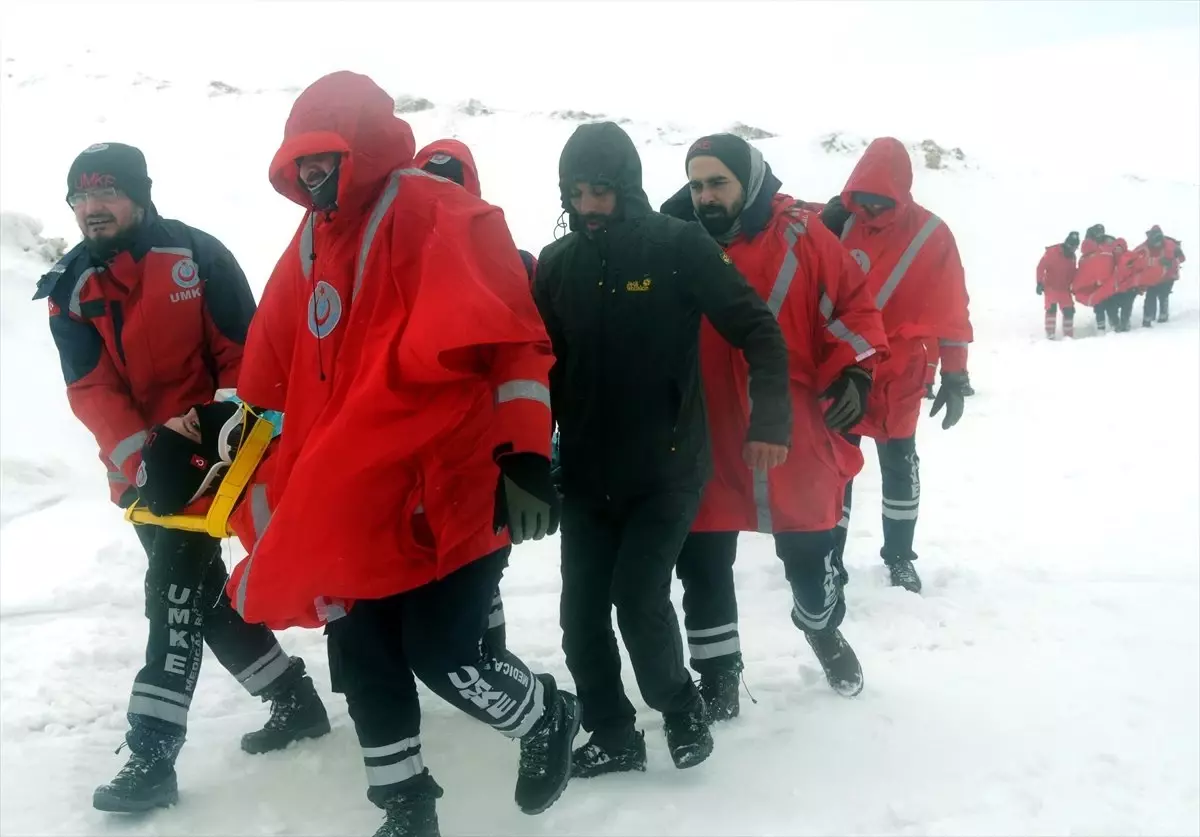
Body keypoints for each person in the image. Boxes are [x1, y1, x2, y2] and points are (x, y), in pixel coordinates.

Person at [223, 71, 579, 836]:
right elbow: (271, 363)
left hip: (446, 487)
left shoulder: (439, 213)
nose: (313, 176)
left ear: (365, 147)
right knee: (364, 652)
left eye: (327, 159)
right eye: (301, 164)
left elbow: (516, 344)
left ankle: (546, 715)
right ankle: (406, 805)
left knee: (446, 653)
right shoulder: (314, 236)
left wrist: (524, 457)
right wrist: (223, 429)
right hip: (354, 495)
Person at [32, 142, 329, 814]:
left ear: (140, 195)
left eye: (105, 192)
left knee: (171, 595)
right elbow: (92, 389)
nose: (92, 207)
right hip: (145, 475)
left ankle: (151, 753)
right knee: (201, 598)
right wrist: (145, 463)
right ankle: (291, 697)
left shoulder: (197, 256)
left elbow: (245, 357)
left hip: (218, 456)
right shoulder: (69, 288)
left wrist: (204, 443)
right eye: (80, 196)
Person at [532, 121, 792, 778]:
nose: (589, 206)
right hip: (589, 472)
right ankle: (614, 731)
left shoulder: (678, 246)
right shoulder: (557, 265)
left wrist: (771, 419)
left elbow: (758, 329)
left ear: (627, 187)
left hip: (668, 466)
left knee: (638, 595)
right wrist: (531, 456)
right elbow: (536, 368)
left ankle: (680, 707)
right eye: (577, 192)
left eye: (601, 191)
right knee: (579, 615)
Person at [659, 134, 888, 714]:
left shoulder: (804, 235)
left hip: (790, 429)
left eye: (718, 183)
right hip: (705, 427)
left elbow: (855, 309)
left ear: (750, 182)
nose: (706, 196)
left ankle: (821, 624)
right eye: (697, 184)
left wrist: (854, 374)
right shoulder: (673, 242)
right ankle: (719, 677)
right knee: (704, 564)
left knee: (810, 557)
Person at [819, 137, 973, 595]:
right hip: (845, 368)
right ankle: (831, 554)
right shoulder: (840, 225)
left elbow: (952, 308)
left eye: (878, 199)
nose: (868, 207)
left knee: (900, 466)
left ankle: (900, 557)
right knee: (836, 467)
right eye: (861, 196)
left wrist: (956, 372)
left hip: (902, 373)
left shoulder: (932, 234)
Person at [415, 137, 537, 656]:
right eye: (431, 184)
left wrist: (532, 447)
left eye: (452, 184)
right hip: (420, 445)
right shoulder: (393, 265)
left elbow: (536, 358)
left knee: (479, 552)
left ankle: (484, 657)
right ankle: (475, 653)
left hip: (489, 444)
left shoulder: (513, 262)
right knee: (439, 552)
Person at [1072, 224, 1128, 334]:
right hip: (1102, 285)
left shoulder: (1106, 247)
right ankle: (1108, 327)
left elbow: (1120, 257)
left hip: (1106, 284)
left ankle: (1110, 327)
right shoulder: (1090, 254)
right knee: (1103, 308)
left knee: (1107, 307)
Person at [1133, 225, 1186, 326]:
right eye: (1155, 242)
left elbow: (1182, 258)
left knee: (1163, 295)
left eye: (1159, 242)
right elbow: (1133, 256)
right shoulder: (1145, 246)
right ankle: (1148, 318)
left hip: (1169, 275)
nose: (1157, 244)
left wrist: (1173, 260)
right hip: (1153, 275)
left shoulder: (1171, 245)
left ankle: (1162, 316)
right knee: (1151, 296)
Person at [1037, 231, 1080, 339]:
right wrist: (1039, 282)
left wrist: (1075, 286)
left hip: (1064, 289)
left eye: (1075, 247)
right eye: (1072, 247)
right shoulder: (1052, 252)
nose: (1074, 249)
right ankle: (1050, 334)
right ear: (1067, 244)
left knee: (1069, 311)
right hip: (1050, 286)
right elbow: (1041, 267)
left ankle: (1068, 336)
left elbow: (1072, 273)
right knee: (1051, 309)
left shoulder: (1073, 257)